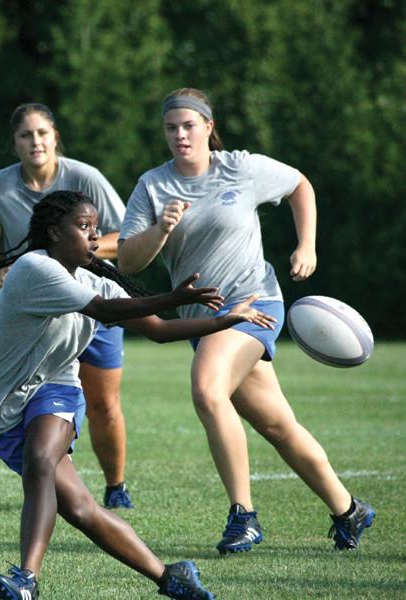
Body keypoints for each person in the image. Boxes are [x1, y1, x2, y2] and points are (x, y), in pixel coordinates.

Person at [0, 190, 278, 599]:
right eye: (83, 227)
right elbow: (104, 311)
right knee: (81, 510)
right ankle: (170, 576)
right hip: (6, 410)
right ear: (53, 232)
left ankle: (26, 580)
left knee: (40, 460)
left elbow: (157, 330)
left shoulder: (93, 280)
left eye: (96, 228)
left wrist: (225, 321)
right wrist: (175, 298)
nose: (94, 235)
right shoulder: (34, 268)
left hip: (57, 391)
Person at [117, 87, 375, 554]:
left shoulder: (239, 166)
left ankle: (244, 515)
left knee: (207, 389)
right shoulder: (152, 186)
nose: (180, 135)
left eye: (189, 125)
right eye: (171, 127)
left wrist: (307, 244)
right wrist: (161, 229)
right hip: (204, 321)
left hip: (254, 303)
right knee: (277, 425)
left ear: (208, 127)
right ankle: (348, 509)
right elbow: (130, 261)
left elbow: (300, 184)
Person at [0, 103, 135, 509]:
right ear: (15, 143)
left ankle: (116, 486)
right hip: (37, 312)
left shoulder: (83, 177)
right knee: (41, 395)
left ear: (55, 137)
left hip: (91, 297)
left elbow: (125, 235)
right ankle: (53, 475)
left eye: (42, 133)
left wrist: (82, 251)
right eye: (26, 135)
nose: (35, 141)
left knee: (104, 402)